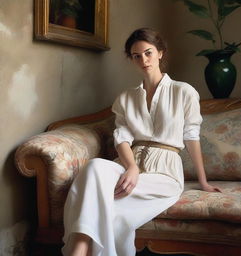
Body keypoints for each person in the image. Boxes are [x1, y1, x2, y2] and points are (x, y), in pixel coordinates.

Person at [62, 27, 221, 256]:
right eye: (137, 56)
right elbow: (122, 137)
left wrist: (203, 181)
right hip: (130, 165)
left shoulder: (183, 92)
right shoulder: (125, 98)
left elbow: (191, 136)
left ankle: (80, 249)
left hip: (164, 173)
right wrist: (132, 167)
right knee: (94, 166)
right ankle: (81, 248)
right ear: (132, 59)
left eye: (148, 53)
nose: (144, 60)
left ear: (160, 53)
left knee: (102, 204)